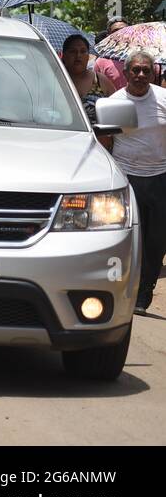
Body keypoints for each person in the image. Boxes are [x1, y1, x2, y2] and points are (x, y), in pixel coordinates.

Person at [107, 50, 166, 314]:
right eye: (135, 70)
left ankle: (144, 294)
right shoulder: (115, 103)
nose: (141, 75)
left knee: (156, 240)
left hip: (160, 179)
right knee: (128, 239)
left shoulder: (164, 99)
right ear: (127, 72)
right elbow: (106, 144)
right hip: (126, 178)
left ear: (153, 72)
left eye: (146, 70)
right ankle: (122, 291)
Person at [61, 34, 114, 126]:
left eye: (83, 51)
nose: (78, 56)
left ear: (88, 56)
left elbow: (116, 111)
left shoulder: (101, 81)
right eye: (73, 51)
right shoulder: (54, 80)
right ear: (64, 55)